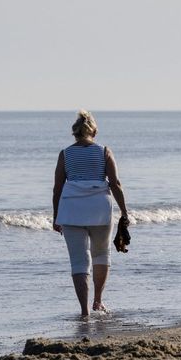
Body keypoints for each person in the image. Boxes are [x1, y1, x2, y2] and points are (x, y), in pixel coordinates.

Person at [52, 110, 130, 318]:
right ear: (94, 131)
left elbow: (57, 187)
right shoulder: (104, 151)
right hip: (99, 209)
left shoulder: (65, 154)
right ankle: (98, 301)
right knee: (101, 254)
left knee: (79, 261)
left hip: (71, 210)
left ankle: (84, 311)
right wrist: (124, 212)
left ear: (74, 133)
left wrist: (56, 216)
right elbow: (115, 184)